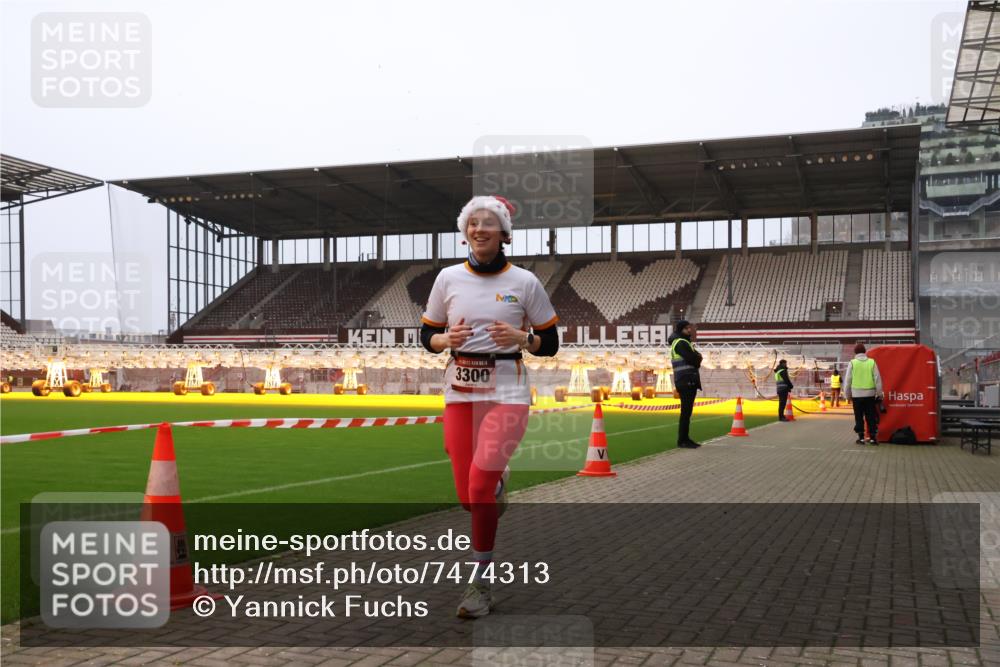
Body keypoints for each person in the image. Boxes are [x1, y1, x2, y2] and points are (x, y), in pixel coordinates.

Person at [420, 194, 559, 619]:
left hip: (507, 391)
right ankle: (495, 487)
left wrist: (525, 340)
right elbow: (426, 336)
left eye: (488, 223)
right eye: (472, 223)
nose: (479, 229)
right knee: (468, 497)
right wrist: (445, 341)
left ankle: (480, 584)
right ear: (466, 231)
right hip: (459, 390)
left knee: (479, 489)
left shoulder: (525, 282)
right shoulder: (447, 279)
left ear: (504, 233)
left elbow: (550, 344)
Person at [669, 320, 703, 448]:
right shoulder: (681, 343)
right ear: (681, 330)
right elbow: (694, 359)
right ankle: (683, 440)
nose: (690, 330)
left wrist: (697, 357)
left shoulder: (683, 342)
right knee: (686, 412)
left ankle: (684, 439)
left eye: (690, 327)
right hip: (686, 380)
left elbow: (696, 358)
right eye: (687, 328)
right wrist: (698, 357)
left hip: (685, 380)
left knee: (686, 412)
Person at [844, 342, 883, 445]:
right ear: (865, 351)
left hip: (856, 395)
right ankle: (873, 438)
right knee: (871, 416)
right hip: (870, 395)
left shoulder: (852, 363)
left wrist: (847, 395)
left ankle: (861, 438)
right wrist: (879, 394)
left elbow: (848, 380)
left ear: (855, 352)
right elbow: (877, 379)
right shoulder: (872, 362)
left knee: (859, 416)